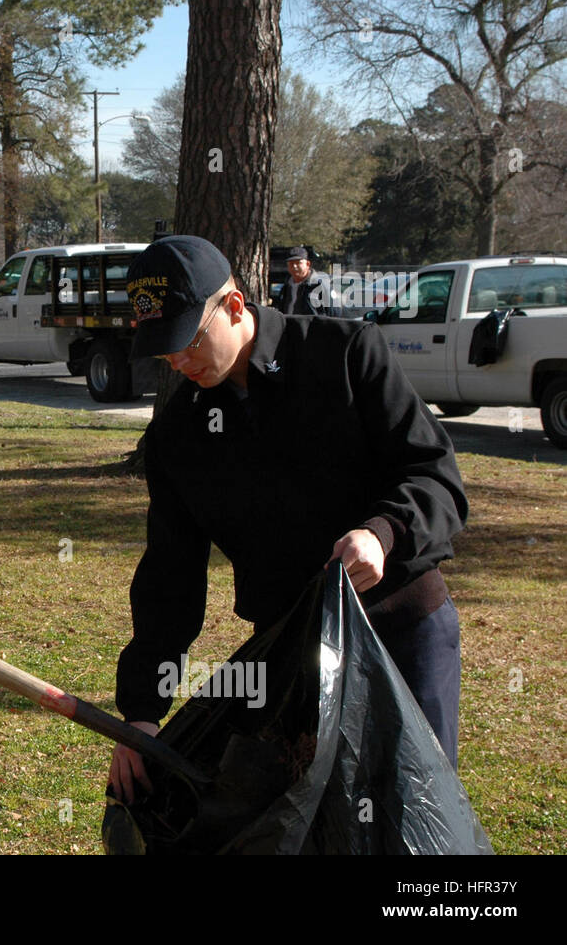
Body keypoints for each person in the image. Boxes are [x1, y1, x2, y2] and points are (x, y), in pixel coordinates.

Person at [108, 235, 467, 805]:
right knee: (307, 820)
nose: (178, 360)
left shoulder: (347, 354)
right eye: (164, 348)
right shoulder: (179, 437)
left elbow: (435, 477)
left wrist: (383, 533)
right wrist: (142, 713)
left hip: (400, 631)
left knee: (414, 811)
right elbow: (170, 579)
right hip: (292, 655)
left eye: (189, 341)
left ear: (233, 306)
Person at [277, 245, 340, 317]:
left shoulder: (319, 286)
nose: (294, 266)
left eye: (298, 263)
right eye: (291, 263)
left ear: (307, 264)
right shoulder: (286, 287)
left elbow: (334, 314)